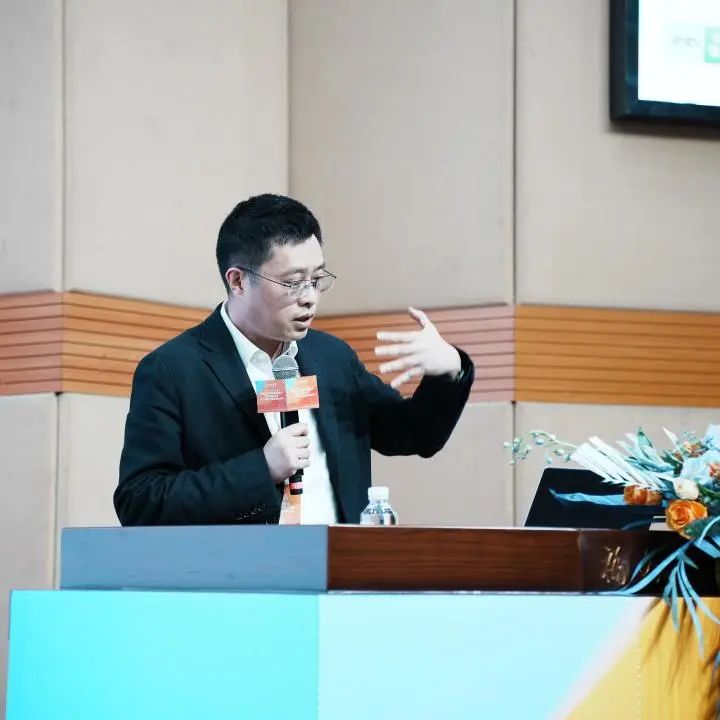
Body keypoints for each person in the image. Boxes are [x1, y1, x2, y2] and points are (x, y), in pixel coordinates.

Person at [115, 194, 474, 525]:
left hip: (337, 565)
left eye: (316, 279)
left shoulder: (331, 358)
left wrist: (450, 371)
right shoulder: (174, 370)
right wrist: (261, 469)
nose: (310, 298)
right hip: (241, 571)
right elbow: (140, 501)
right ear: (238, 281)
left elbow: (413, 435)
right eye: (292, 283)